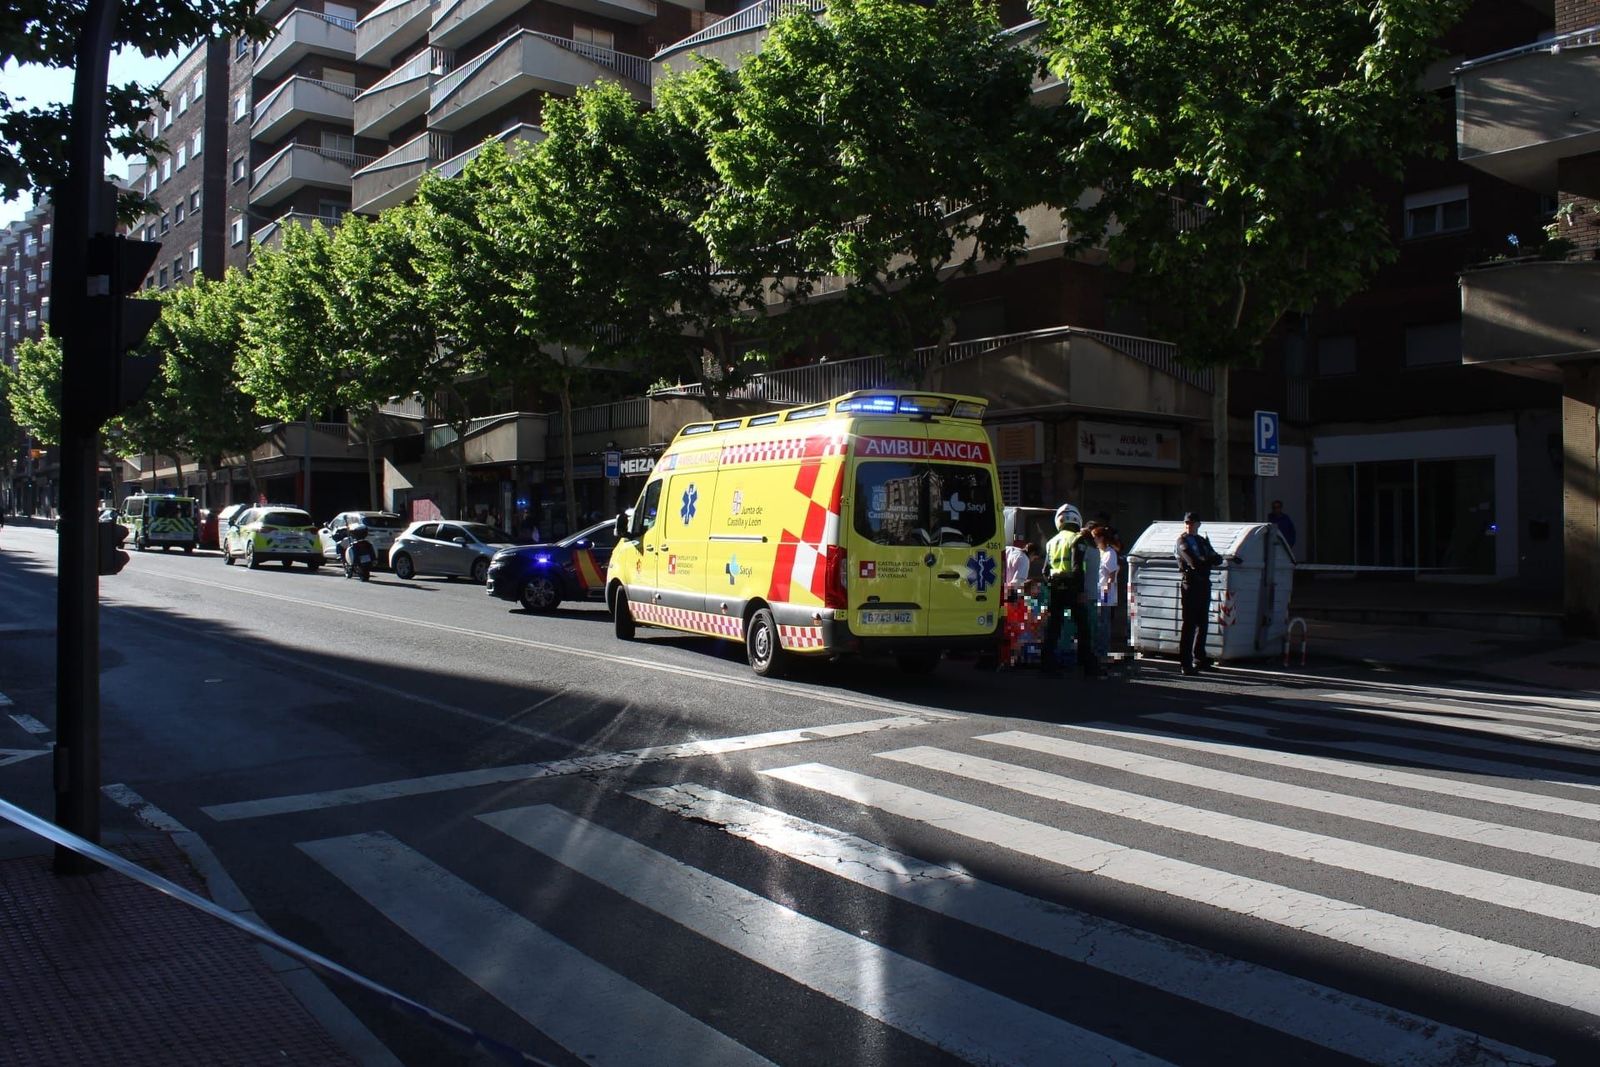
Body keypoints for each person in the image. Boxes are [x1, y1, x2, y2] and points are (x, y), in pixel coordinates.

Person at [1042, 503, 1099, 679]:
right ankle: (1088, 668)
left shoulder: (1051, 542)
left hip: (1055, 589)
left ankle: (1047, 667)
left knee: (1053, 630)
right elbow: (1077, 568)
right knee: (1083, 629)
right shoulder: (1077, 539)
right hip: (1073, 588)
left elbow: (1045, 571)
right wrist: (1080, 591)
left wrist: (1052, 584)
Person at [1174, 511, 1223, 676]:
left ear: (1198, 524)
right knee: (1189, 625)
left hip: (1203, 584)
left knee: (1203, 624)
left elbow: (1217, 558)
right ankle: (1185, 663)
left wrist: (1206, 560)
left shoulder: (1202, 540)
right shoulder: (1182, 541)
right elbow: (1193, 561)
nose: (1189, 525)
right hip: (1191, 585)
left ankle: (1200, 659)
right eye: (1187, 523)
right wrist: (1207, 560)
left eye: (1192, 523)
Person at [1093, 525, 1120, 659]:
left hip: (1105, 593)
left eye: (1095, 538)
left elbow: (1112, 574)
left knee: (1103, 623)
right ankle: (1097, 649)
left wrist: (1106, 590)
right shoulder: (1098, 552)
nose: (1093, 540)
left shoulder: (1110, 553)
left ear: (1101, 538)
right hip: (1096, 591)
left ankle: (1103, 651)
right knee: (1097, 622)